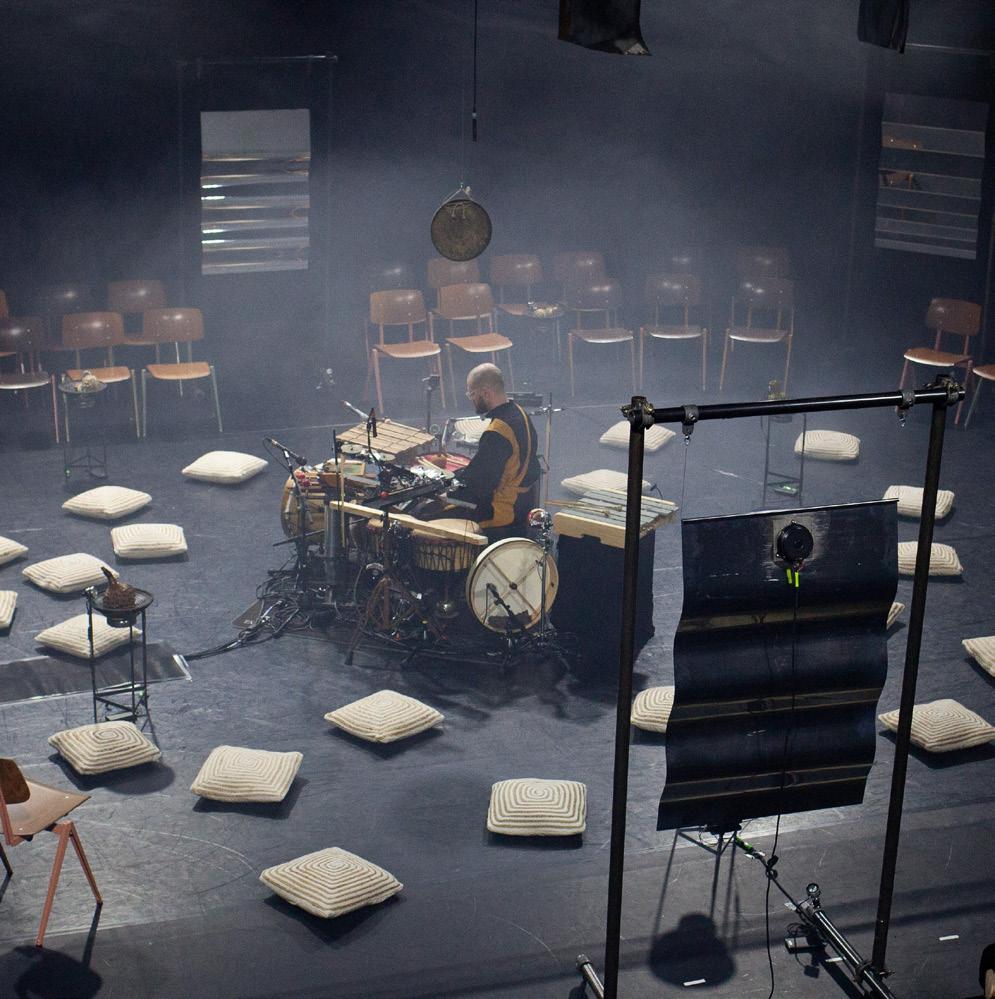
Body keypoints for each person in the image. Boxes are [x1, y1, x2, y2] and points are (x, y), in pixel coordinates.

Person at [450, 363, 540, 543]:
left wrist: (448, 490)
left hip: (503, 510)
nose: (471, 399)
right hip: (524, 502)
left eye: (472, 394)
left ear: (485, 393)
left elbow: (480, 487)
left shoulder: (498, 432)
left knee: (427, 514)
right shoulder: (519, 412)